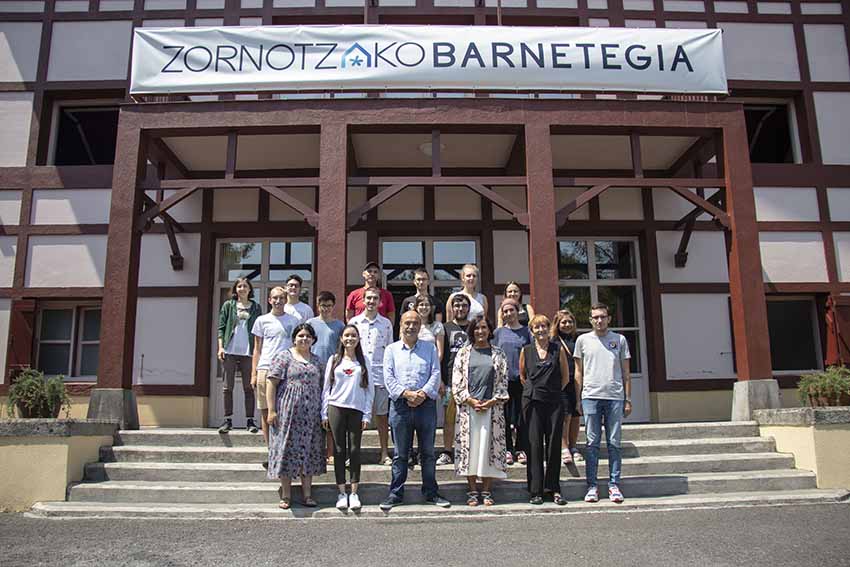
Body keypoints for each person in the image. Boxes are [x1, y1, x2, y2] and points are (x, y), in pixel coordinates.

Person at [379, 311, 450, 510]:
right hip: (400, 406)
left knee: (427, 453)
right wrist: (406, 394)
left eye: (415, 323)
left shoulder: (429, 349)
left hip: (425, 405)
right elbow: (388, 377)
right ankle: (395, 494)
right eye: (407, 323)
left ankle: (431, 493)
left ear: (420, 326)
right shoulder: (391, 350)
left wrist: (422, 394)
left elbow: (436, 373)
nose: (411, 326)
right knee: (400, 454)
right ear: (400, 325)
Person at [574, 303, 632, 504]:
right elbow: (578, 372)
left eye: (602, 317)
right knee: (592, 443)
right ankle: (592, 486)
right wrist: (578, 398)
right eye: (595, 317)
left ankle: (614, 484)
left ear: (609, 318)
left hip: (615, 397)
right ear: (590, 320)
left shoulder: (620, 340)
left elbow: (626, 372)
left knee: (614, 442)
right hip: (590, 397)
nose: (599, 320)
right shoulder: (582, 340)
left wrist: (628, 399)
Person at [266, 323, 326, 509]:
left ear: (313, 340)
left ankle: (307, 495)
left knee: (308, 452)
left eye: (308, 336)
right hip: (287, 414)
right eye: (300, 336)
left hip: (311, 416)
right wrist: (271, 410)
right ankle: (286, 495)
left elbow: (323, 387)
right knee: (287, 451)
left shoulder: (317, 361)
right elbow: (272, 383)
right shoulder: (284, 357)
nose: (304, 339)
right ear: (294, 338)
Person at [452, 316, 509, 507]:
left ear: (489, 330)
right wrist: (470, 400)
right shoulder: (463, 353)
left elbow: (503, 381)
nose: (480, 332)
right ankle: (472, 491)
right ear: (471, 331)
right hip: (469, 409)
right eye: (476, 328)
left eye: (484, 328)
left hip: (491, 410)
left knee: (488, 450)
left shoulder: (498, 354)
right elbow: (457, 381)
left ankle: (486, 490)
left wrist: (492, 401)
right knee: (471, 450)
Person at [322, 325, 374, 512]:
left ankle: (354, 492)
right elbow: (326, 388)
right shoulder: (334, 360)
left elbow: (370, 390)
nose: (350, 339)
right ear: (341, 339)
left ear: (358, 339)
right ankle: (341, 492)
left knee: (354, 449)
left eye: (353, 335)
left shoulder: (363, 361)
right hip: (336, 407)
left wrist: (367, 413)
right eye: (347, 335)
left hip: (356, 409)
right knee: (338, 449)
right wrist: (324, 412)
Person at [520, 314, 569, 506]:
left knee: (553, 446)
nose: (541, 330)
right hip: (533, 403)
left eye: (543, 326)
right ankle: (535, 490)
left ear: (549, 328)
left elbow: (565, 376)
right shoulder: (527, 350)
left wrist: (553, 391)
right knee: (534, 446)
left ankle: (553, 489)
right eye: (536, 327)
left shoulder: (558, 349)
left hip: (554, 402)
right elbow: (523, 376)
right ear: (531, 331)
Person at [349, 287, 394, 466]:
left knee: (382, 417)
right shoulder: (354, 322)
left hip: (380, 375)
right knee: (356, 417)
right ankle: (353, 454)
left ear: (380, 302)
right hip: (358, 376)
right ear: (363, 301)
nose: (371, 301)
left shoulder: (386, 324)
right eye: (368, 298)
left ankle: (384, 453)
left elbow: (390, 350)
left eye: (375, 298)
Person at [251, 287, 299, 448]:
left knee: (285, 411)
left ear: (286, 300)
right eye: (275, 298)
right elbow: (257, 349)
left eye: (281, 298)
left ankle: (284, 449)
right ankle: (270, 449)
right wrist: (254, 373)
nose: (278, 301)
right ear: (269, 300)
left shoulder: (294, 321)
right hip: (265, 369)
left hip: (288, 370)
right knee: (266, 412)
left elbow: (297, 347)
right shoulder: (261, 320)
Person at [216, 277, 262, 434]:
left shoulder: (256, 307)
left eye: (245, 286)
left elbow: (259, 331)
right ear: (235, 289)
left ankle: (250, 421)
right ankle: (227, 420)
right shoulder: (229, 305)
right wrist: (221, 347)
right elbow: (221, 327)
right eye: (239, 286)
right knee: (227, 387)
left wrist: (258, 351)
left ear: (250, 289)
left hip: (247, 353)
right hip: (229, 351)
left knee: (249, 387)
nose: (242, 288)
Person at [492, 298, 532, 466]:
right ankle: (507, 449)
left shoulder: (527, 332)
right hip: (503, 381)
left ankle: (521, 448)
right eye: (505, 311)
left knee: (523, 416)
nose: (508, 314)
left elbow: (531, 354)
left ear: (518, 312)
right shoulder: (498, 333)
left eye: (511, 310)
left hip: (522, 380)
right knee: (505, 417)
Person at [307, 291, 345, 464]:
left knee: (330, 414)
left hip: (332, 372)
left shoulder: (339, 325)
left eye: (329, 305)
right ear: (318, 305)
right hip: (313, 370)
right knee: (313, 413)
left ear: (333, 306)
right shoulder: (310, 324)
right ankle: (315, 451)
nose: (326, 309)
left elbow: (342, 349)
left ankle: (330, 452)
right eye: (323, 305)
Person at [437, 294, 471, 465]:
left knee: (469, 418)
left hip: (472, 382)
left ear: (468, 308)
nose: (460, 308)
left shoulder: (475, 327)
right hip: (450, 379)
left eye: (464, 305)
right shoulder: (445, 327)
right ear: (452, 308)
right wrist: (441, 380)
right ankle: (447, 451)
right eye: (457, 305)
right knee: (449, 418)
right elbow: (440, 356)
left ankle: (466, 450)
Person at [551, 309, 583, 465]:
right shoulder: (553, 341)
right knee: (565, 415)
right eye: (563, 322)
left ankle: (573, 445)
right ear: (557, 324)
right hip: (561, 383)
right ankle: (564, 447)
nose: (567, 325)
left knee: (576, 415)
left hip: (577, 382)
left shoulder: (579, 340)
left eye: (570, 322)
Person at [414, 295, 445, 363]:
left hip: (430, 365)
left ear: (431, 308)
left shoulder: (437, 326)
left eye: (427, 305)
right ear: (416, 307)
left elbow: (440, 353)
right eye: (421, 305)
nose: (424, 307)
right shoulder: (411, 326)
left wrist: (434, 368)